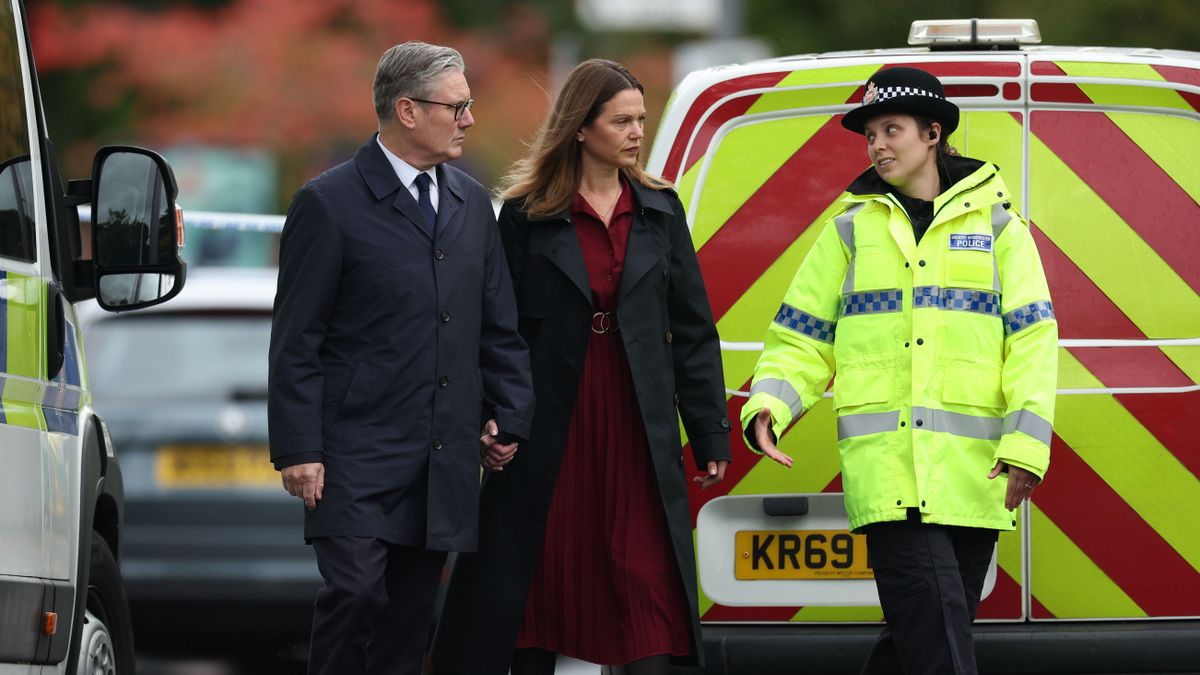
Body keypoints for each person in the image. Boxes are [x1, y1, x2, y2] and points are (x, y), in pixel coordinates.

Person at [741, 66, 1058, 674]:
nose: (877, 145)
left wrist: (1026, 446)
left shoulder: (999, 229)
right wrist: (771, 405)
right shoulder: (848, 232)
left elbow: (1033, 342)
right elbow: (801, 337)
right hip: (889, 476)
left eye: (892, 130)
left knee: (923, 639)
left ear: (933, 133)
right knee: (938, 645)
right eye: (870, 135)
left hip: (974, 478)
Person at [431, 59, 733, 675]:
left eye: (640, 119)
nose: (637, 132)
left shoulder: (660, 208)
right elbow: (499, 329)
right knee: (540, 579)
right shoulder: (527, 214)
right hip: (549, 426)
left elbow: (693, 331)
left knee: (649, 583)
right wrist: (495, 418)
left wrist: (709, 432)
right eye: (622, 121)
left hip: (637, 421)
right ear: (580, 127)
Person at [267, 41, 535, 675]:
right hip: (352, 455)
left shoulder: (473, 205)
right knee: (357, 591)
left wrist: (509, 415)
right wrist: (298, 449)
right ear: (408, 110)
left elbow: (499, 327)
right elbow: (297, 338)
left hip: (442, 455)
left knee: (409, 621)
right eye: (457, 106)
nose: (469, 119)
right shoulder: (328, 203)